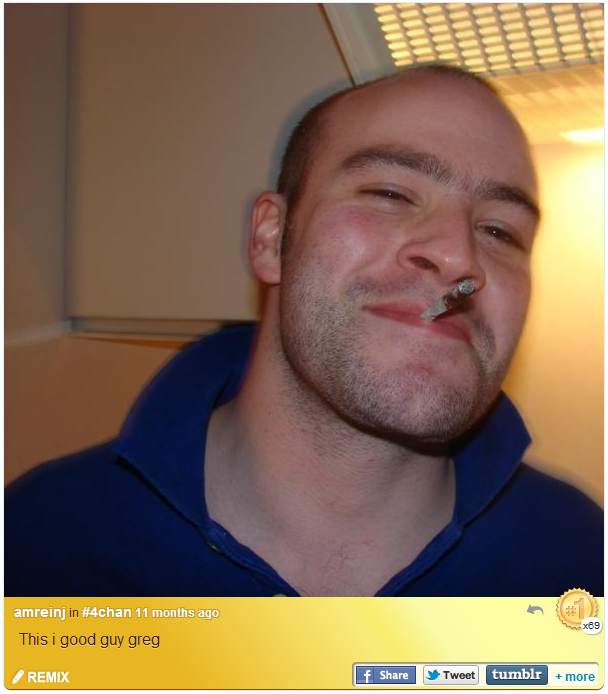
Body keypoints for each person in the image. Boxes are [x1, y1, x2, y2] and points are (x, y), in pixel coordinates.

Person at [6, 64, 602, 597]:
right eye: (390, 194)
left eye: (500, 231)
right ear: (272, 239)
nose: (459, 258)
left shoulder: (580, 562)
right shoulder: (37, 545)